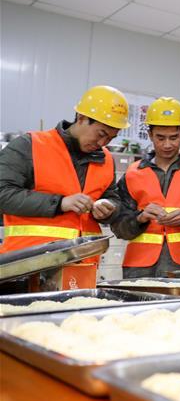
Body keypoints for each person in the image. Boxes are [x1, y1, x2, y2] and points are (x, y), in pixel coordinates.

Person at [0, 85, 129, 289]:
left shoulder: (106, 160)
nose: (102, 142)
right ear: (81, 118)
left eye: (110, 138)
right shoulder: (30, 146)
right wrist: (60, 203)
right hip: (27, 269)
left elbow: (112, 197)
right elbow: (3, 194)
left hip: (82, 270)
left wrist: (108, 208)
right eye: (100, 134)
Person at [113, 97, 180, 278]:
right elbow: (118, 227)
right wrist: (140, 218)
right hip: (140, 270)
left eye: (174, 137)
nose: (167, 144)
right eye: (160, 138)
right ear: (150, 134)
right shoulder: (133, 174)